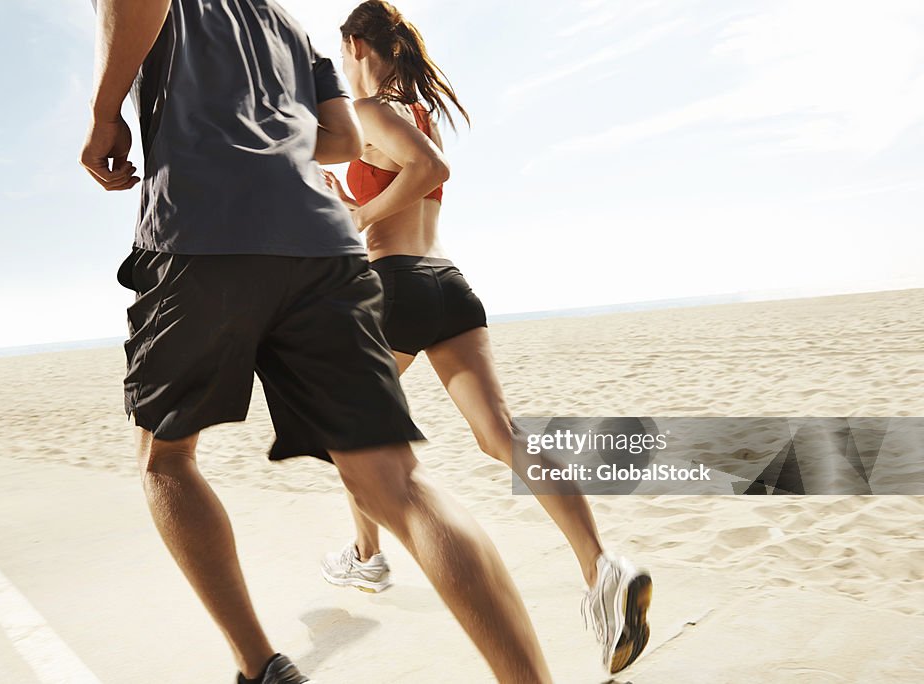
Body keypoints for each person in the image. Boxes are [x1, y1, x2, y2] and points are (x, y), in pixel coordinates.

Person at [80, 1, 557, 683]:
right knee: (401, 482)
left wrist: (105, 112)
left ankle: (261, 667)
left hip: (201, 232)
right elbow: (338, 139)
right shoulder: (290, 26)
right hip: (321, 242)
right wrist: (272, 122)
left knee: (166, 458)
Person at [318, 0, 652, 675]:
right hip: (448, 285)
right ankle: (603, 569)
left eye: (340, 49)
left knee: (347, 434)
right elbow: (412, 178)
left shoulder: (375, 112)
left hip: (397, 287)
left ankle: (367, 558)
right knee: (501, 436)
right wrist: (346, 199)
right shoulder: (413, 111)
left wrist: (355, 214)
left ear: (356, 44)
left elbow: (428, 172)